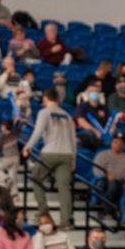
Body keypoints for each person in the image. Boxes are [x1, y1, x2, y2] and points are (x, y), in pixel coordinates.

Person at [23, 88, 77, 229]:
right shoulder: (67, 115)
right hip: (67, 154)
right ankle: (65, 222)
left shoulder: (44, 112)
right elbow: (73, 140)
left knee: (36, 179)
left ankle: (44, 213)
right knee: (64, 189)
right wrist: (74, 160)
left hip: (50, 152)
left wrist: (28, 146)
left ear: (46, 98)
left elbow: (38, 131)